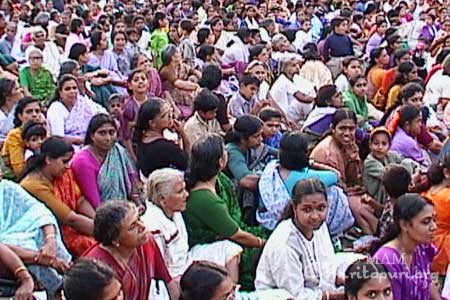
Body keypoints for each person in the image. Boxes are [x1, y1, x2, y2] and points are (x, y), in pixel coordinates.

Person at [183, 134, 267, 289]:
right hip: (208, 245)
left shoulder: (220, 181)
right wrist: (262, 243)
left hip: (228, 233)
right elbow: (236, 234)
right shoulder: (205, 199)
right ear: (221, 162)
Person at [255, 178, 361, 300]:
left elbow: (327, 264)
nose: (315, 216)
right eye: (307, 209)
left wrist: (340, 279)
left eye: (321, 208)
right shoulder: (285, 244)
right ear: (295, 208)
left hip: (316, 289)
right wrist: (336, 296)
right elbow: (294, 295)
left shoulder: (319, 227)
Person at [141, 168, 242, 280]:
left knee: (229, 249)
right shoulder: (152, 227)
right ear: (162, 199)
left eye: (184, 189)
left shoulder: (175, 211)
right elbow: (159, 271)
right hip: (173, 275)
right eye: (180, 192)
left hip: (186, 259)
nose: (187, 194)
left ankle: (232, 292)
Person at [258, 131, 355, 235]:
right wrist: (313, 163)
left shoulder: (273, 167)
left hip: (268, 219)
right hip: (296, 218)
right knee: (334, 192)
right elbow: (336, 175)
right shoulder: (305, 178)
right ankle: (332, 228)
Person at [83, 200, 180, 300]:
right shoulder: (97, 269)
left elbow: (169, 284)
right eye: (132, 226)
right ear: (115, 239)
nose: (142, 227)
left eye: (139, 219)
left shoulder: (147, 243)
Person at [19, 137, 96, 257]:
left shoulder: (63, 173)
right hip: (51, 235)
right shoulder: (34, 184)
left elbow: (79, 200)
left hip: (76, 225)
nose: (68, 166)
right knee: (96, 246)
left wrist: (98, 220)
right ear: (48, 159)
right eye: (64, 161)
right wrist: (105, 232)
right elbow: (70, 220)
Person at [310, 109, 378, 234]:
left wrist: (353, 159)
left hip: (345, 190)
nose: (347, 133)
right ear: (333, 128)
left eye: (351, 129)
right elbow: (336, 186)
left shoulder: (349, 144)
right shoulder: (327, 152)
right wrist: (351, 191)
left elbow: (355, 179)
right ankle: (374, 237)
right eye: (342, 128)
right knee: (359, 206)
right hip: (327, 195)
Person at [0, 178, 71, 296]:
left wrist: (50, 241)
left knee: (42, 233)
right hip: (13, 261)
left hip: (41, 250)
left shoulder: (7, 189)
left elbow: (40, 212)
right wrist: (42, 260)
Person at [373, 194, 439, 300]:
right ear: (404, 225)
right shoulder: (388, 260)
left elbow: (427, 283)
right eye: (426, 222)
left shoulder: (421, 248)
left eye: (434, 220)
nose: (434, 227)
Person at [71, 114, 139, 209]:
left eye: (111, 132)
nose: (108, 138)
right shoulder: (82, 161)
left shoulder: (119, 151)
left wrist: (138, 203)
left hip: (125, 206)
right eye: (102, 133)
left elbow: (131, 179)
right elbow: (94, 200)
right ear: (92, 136)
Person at [134, 99, 189, 178]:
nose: (170, 117)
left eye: (170, 113)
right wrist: (182, 133)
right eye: (165, 115)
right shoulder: (165, 147)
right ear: (152, 123)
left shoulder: (142, 139)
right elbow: (187, 163)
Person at [363, 127, 416, 206]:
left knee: (406, 162)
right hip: (378, 196)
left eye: (384, 144)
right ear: (370, 145)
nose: (380, 147)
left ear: (389, 146)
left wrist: (417, 170)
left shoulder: (391, 155)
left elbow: (410, 162)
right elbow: (389, 176)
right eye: (376, 143)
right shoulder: (369, 162)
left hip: (392, 191)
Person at [46, 74, 97, 146]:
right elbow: (59, 137)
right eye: (67, 89)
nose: (72, 91)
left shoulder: (83, 103)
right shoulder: (56, 109)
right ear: (60, 92)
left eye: (74, 88)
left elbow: (96, 121)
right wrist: (83, 140)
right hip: (65, 147)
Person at [422, 152, 450, 275]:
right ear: (446, 173)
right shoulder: (447, 197)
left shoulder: (427, 192)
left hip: (427, 251)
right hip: (441, 253)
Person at [2, 96, 42, 177]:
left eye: (37, 111)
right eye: (29, 112)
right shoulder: (15, 135)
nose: (34, 115)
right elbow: (19, 170)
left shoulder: (43, 130)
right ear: (20, 116)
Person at [159, 44, 201, 118]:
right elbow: (178, 83)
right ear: (173, 57)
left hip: (181, 90)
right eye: (178, 52)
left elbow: (192, 71)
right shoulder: (166, 69)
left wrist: (198, 75)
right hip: (171, 94)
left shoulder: (180, 65)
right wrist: (196, 86)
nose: (180, 54)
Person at [302, 84, 343, 151]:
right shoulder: (331, 114)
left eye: (340, 94)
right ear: (328, 102)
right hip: (313, 147)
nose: (341, 97)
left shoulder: (318, 111)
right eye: (337, 96)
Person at [0, 78, 24, 143]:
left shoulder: (23, 107)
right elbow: (6, 130)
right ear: (7, 96)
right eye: (16, 89)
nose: (21, 90)